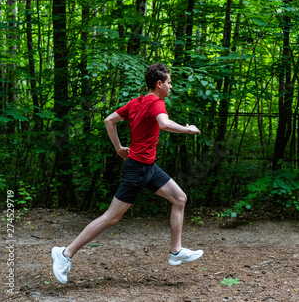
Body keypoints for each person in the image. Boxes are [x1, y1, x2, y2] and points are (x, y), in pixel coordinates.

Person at [51, 63, 203, 284]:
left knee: (179, 198)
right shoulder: (156, 103)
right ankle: (64, 254)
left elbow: (109, 120)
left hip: (148, 167)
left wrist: (119, 148)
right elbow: (164, 124)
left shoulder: (136, 102)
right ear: (159, 84)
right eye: (169, 83)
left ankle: (176, 252)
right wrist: (188, 129)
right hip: (138, 170)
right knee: (111, 218)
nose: (171, 87)